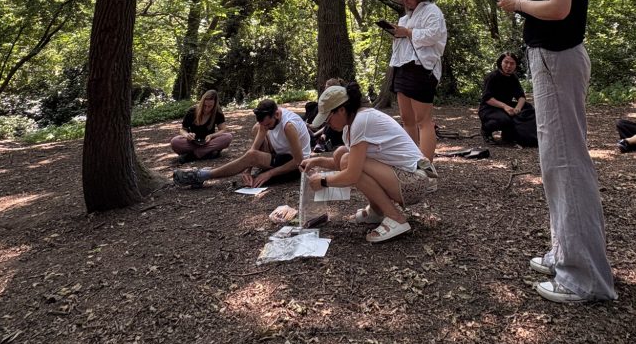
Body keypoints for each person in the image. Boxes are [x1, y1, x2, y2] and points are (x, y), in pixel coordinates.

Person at [498, 0, 617, 304]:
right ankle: (566, 253)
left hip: (556, 56)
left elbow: (558, 8)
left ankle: (584, 278)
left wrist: (517, 3)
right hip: (551, 59)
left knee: (565, 160)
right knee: (555, 160)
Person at [301, 82, 437, 243]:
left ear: (342, 110)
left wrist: (323, 181)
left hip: (415, 182)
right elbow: (344, 163)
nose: (327, 124)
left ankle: (396, 218)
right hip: (407, 177)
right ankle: (377, 210)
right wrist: (317, 161)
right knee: (342, 154)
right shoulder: (350, 126)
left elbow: (352, 174)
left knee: (347, 160)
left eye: (328, 119)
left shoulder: (361, 122)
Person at [173, 98, 311, 189]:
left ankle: (203, 175)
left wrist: (270, 173)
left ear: (276, 114)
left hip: (295, 165)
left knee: (252, 156)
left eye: (269, 125)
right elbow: (254, 148)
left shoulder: (289, 126)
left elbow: (299, 161)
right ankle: (261, 166)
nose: (267, 128)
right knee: (256, 129)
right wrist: (247, 169)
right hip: (279, 154)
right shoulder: (268, 117)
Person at [388, 0, 448, 161]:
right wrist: (398, 33)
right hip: (402, 67)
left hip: (422, 68)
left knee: (423, 120)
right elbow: (403, 43)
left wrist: (407, 32)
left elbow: (433, 35)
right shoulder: (405, 18)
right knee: (407, 119)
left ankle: (427, 168)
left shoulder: (432, 11)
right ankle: (412, 162)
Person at [479, 53, 538, 147]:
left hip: (507, 106)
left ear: (515, 65)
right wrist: (505, 106)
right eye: (506, 62)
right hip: (489, 108)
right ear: (500, 63)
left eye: (512, 63)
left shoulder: (513, 78)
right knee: (504, 120)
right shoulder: (492, 77)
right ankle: (486, 130)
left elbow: (521, 97)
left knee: (528, 108)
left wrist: (518, 108)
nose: (508, 66)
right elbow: (487, 99)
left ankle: (511, 135)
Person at [169, 89, 232, 163]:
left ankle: (192, 155)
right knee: (175, 141)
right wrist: (187, 135)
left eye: (210, 106)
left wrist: (212, 136)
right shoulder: (192, 111)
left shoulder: (217, 112)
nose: (206, 109)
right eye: (204, 105)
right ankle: (207, 153)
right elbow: (183, 130)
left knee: (228, 137)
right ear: (202, 103)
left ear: (214, 105)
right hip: (193, 142)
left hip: (208, 142)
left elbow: (223, 130)